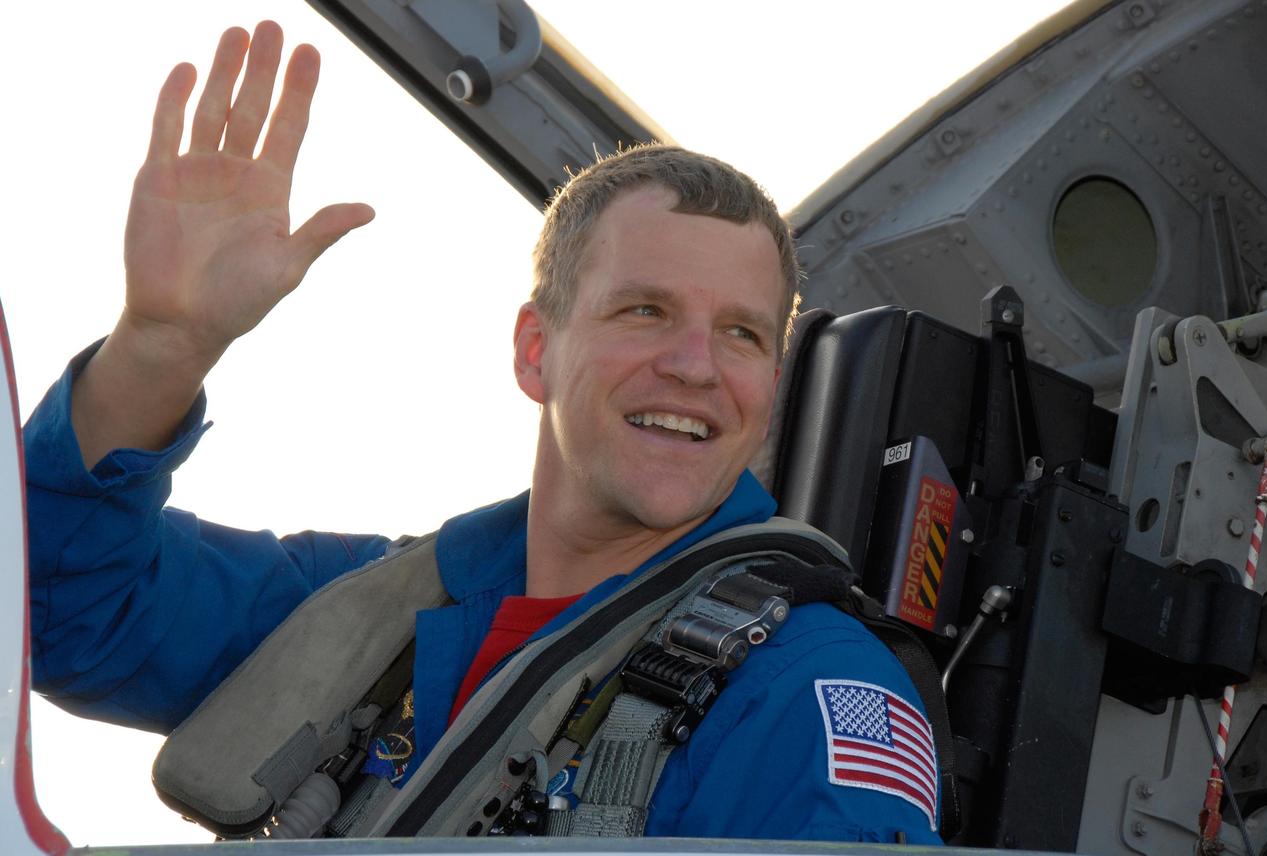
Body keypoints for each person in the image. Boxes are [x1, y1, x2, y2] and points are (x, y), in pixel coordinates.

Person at [24, 21, 943, 844]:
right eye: (645, 310)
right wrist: (161, 345)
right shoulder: (372, 616)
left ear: (770, 387)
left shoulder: (810, 695)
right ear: (535, 351)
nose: (697, 366)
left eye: (741, 333)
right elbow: (52, 608)